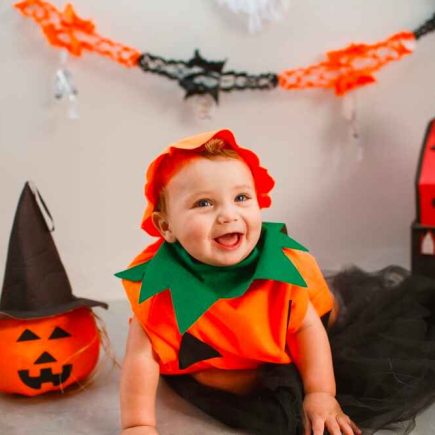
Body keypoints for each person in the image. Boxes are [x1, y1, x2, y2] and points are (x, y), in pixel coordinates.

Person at [117, 129, 435, 435]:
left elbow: (308, 329)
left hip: (281, 355)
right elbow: (141, 357)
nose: (228, 215)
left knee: (333, 337)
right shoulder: (158, 290)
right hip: (214, 369)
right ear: (166, 227)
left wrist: (321, 394)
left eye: (241, 197)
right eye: (204, 203)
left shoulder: (279, 273)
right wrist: (138, 425)